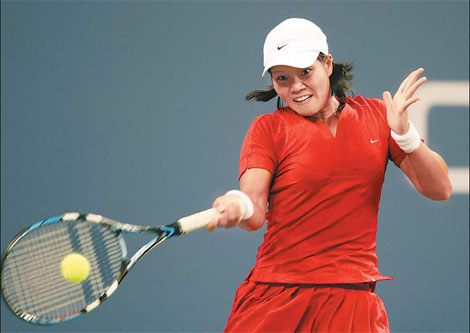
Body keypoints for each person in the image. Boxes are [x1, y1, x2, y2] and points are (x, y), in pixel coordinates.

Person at [206, 18, 452, 332]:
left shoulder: (379, 117)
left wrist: (404, 134)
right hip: (276, 298)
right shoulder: (268, 129)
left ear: (328, 64)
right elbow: (253, 211)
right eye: (283, 78)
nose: (296, 87)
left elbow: (439, 188)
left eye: (305, 72)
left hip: (354, 303)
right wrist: (237, 204)